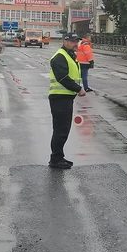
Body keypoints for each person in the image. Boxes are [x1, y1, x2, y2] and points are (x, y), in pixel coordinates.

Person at [48, 33, 86, 169]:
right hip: (60, 97)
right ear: (65, 42)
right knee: (61, 129)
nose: (76, 44)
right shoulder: (60, 56)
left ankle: (58, 157)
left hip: (65, 97)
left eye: (77, 41)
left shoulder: (69, 55)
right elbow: (62, 77)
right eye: (73, 41)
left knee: (63, 128)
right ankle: (56, 159)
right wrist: (78, 89)